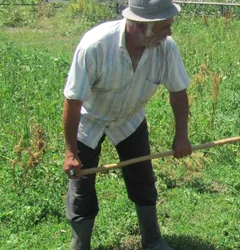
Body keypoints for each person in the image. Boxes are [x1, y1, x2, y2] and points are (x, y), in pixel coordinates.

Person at [62, 0, 192, 249]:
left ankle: (152, 240)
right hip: (90, 120)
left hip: (130, 119)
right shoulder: (95, 45)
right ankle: (80, 245)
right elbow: (73, 100)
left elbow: (178, 93)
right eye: (165, 26)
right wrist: (70, 153)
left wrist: (182, 136)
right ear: (143, 27)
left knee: (143, 177)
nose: (170, 32)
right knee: (81, 185)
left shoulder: (166, 47)